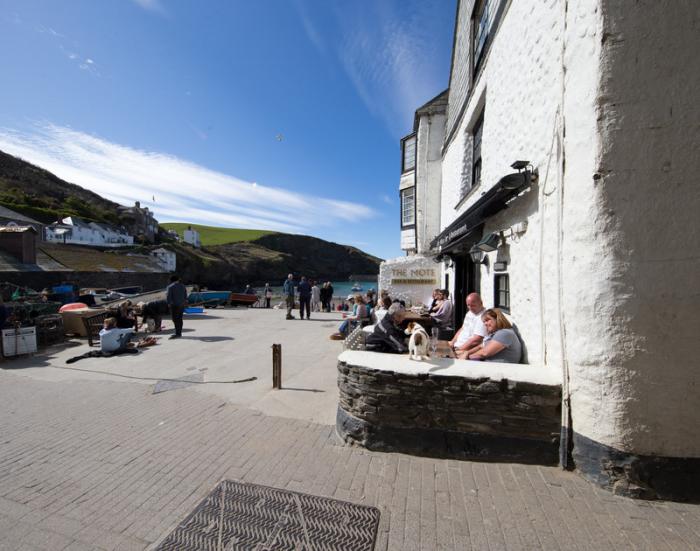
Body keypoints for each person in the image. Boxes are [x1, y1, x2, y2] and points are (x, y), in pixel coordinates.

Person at [450, 293, 488, 359]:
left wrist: (457, 350)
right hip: (456, 347)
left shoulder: (483, 316)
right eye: (468, 305)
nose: (470, 308)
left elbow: (476, 340)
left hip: (464, 350)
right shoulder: (469, 313)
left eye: (473, 305)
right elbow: (463, 328)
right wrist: (452, 342)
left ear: (481, 303)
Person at [166, 274, 188, 339]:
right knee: (180, 319)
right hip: (181, 305)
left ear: (171, 280)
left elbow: (169, 296)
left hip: (174, 305)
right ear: (178, 280)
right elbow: (185, 295)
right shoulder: (183, 286)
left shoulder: (170, 287)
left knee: (175, 319)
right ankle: (179, 332)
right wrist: (185, 302)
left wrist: (169, 304)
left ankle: (177, 333)